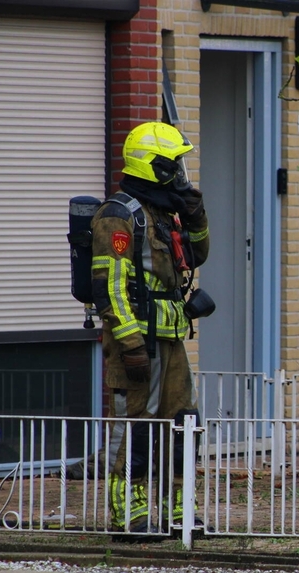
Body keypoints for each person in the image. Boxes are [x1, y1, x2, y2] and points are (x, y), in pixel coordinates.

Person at [90, 121, 210, 532]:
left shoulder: (163, 213)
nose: (179, 173)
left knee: (183, 421)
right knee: (134, 424)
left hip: (171, 337)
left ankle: (180, 508)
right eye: (173, 165)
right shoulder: (118, 216)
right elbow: (111, 287)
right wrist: (130, 344)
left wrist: (195, 216)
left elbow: (195, 256)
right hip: (137, 341)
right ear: (153, 166)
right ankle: (129, 511)